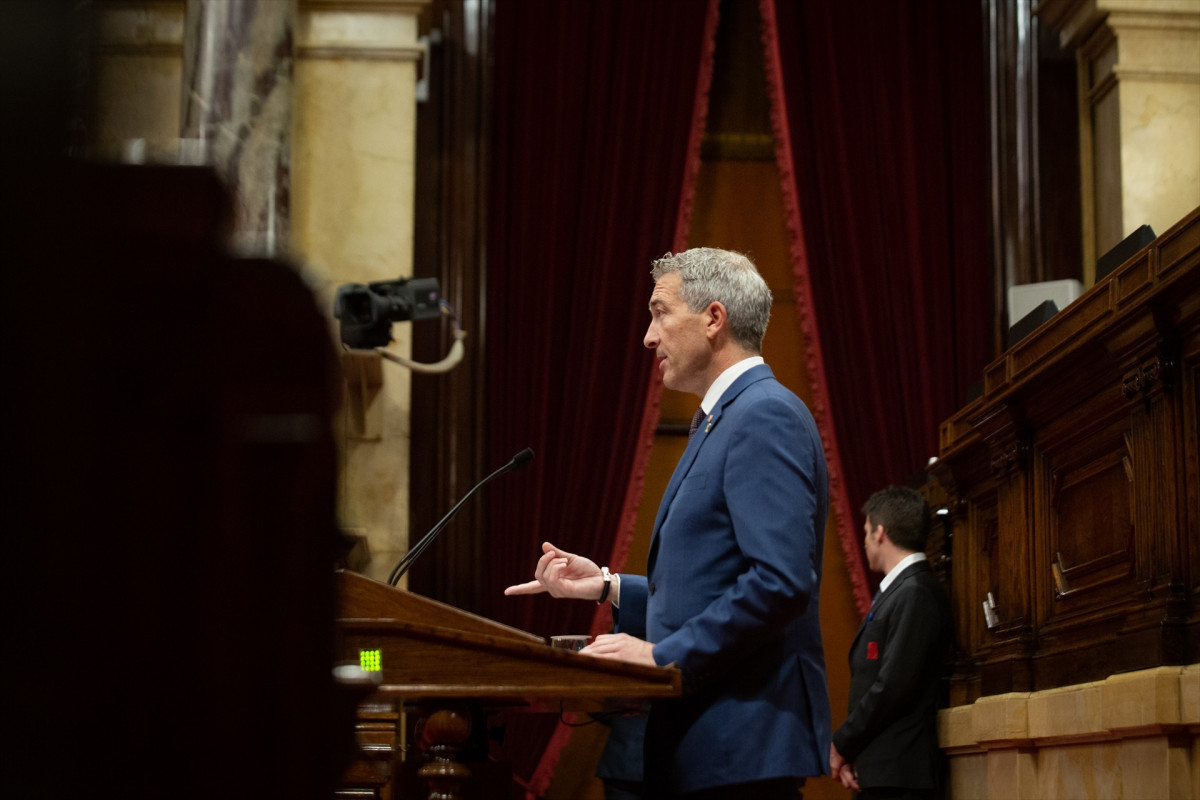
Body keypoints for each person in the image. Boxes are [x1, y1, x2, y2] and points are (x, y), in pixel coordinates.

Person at [506, 248, 831, 798]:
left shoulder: (763, 415)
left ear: (713, 318)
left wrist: (661, 654)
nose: (648, 337)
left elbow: (780, 581)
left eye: (660, 312)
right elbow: (715, 578)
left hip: (739, 744)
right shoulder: (719, 421)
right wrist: (608, 587)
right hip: (708, 741)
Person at [829, 486, 953, 800]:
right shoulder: (900, 591)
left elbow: (893, 687)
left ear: (880, 532)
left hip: (900, 777)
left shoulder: (915, 592)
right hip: (881, 770)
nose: (866, 540)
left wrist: (842, 743)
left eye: (867, 532)